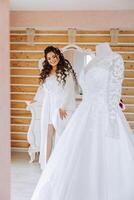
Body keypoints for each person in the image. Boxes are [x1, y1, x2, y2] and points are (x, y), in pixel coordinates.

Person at [31, 43, 134, 200]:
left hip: (105, 113)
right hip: (85, 111)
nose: (52, 59)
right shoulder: (92, 60)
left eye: (54, 56)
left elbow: (115, 89)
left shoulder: (114, 58)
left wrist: (112, 119)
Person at [39, 46, 77, 170]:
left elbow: (69, 90)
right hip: (48, 106)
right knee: (48, 134)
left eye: (53, 57)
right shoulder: (46, 72)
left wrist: (63, 106)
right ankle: (47, 165)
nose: (52, 60)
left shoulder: (65, 71)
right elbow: (42, 91)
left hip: (60, 106)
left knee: (61, 135)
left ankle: (61, 164)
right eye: (49, 58)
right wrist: (34, 100)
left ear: (58, 56)